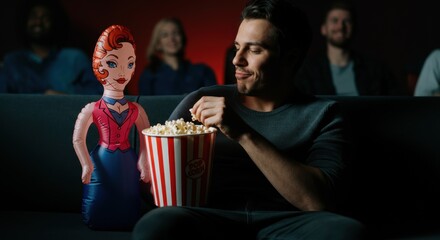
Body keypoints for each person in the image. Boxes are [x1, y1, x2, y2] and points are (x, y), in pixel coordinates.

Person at [132, 0, 367, 239]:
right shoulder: (202, 100)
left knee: (346, 232)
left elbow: (317, 201)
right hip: (208, 217)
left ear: (290, 58)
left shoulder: (324, 114)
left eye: (254, 50)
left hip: (289, 221)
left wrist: (243, 134)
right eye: (237, 47)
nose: (237, 60)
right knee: (154, 226)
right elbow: (155, 176)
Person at [72, 25, 151, 230]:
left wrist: (145, 162)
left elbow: (146, 139)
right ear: (99, 66)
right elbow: (78, 139)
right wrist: (86, 164)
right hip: (102, 162)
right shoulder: (92, 109)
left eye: (130, 63)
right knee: (99, 200)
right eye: (113, 63)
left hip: (127, 162)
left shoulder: (137, 110)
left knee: (128, 197)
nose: (123, 72)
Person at [295, 0, 403, 96]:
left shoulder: (376, 70)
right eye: (334, 20)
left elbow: (398, 103)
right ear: (324, 29)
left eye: (347, 21)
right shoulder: (307, 71)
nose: (340, 26)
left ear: (353, 28)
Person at [0, 0, 101, 94]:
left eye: (45, 17)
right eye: (33, 17)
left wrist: (64, 99)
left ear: (55, 22)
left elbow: (98, 93)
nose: (38, 22)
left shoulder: (75, 58)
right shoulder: (12, 61)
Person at [138, 17, 217, 95]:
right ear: (158, 44)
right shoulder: (149, 75)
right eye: (165, 35)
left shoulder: (203, 71)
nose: (172, 39)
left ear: (182, 38)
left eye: (176, 33)